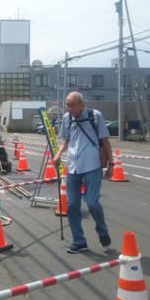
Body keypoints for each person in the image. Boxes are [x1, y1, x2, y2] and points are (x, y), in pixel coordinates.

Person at [52, 91, 114, 254]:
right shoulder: (67, 118)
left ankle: (102, 230)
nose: (69, 108)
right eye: (67, 105)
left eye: (72, 105)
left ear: (82, 104)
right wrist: (58, 154)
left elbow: (105, 140)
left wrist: (112, 164)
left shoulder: (95, 116)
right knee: (72, 205)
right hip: (73, 165)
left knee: (92, 202)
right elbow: (66, 140)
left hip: (92, 165)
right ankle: (79, 241)